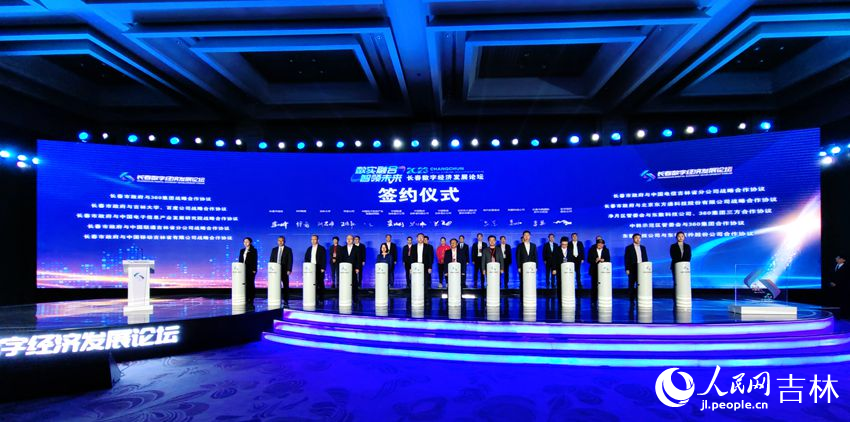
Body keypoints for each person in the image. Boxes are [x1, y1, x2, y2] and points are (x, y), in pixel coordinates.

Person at [624, 233, 649, 304]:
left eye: (639, 238)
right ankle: (632, 300)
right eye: (636, 238)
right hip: (632, 268)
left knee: (641, 284)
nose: (638, 239)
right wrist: (627, 269)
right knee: (631, 285)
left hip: (641, 268)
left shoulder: (643, 247)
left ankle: (639, 298)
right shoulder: (629, 247)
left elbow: (645, 258)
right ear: (633, 239)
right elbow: (626, 259)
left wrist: (646, 266)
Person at [269, 236, 293, 304]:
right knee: (275, 285)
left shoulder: (288, 249)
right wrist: (271, 268)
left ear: (284, 241)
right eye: (279, 240)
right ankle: (275, 297)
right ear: (277, 241)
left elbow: (290, 260)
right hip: (275, 270)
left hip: (284, 270)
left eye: (282, 240)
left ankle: (286, 299)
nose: (280, 242)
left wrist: (289, 269)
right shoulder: (274, 249)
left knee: (285, 285)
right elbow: (271, 260)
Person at [587, 238, 610, 305]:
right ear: (596, 244)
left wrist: (603, 260)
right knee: (594, 286)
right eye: (599, 244)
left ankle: (603, 298)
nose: (600, 245)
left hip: (603, 271)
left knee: (603, 285)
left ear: (603, 244)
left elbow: (608, 259)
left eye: (601, 244)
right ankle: (593, 300)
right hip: (594, 270)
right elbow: (588, 260)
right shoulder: (592, 250)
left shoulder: (606, 250)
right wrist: (595, 260)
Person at [516, 230, 537, 301]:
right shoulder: (519, 246)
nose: (526, 237)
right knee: (522, 281)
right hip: (522, 267)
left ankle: (531, 295)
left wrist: (536, 266)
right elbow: (518, 257)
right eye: (525, 235)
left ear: (530, 236)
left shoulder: (533, 245)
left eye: (528, 235)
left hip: (531, 267)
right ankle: (522, 296)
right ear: (523, 236)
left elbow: (535, 256)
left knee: (531, 281)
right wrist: (519, 267)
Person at [239, 237, 258, 307]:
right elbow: (240, 260)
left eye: (247, 241)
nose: (245, 243)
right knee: (245, 284)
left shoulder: (253, 250)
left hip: (251, 270)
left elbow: (255, 260)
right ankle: (246, 298)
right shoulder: (242, 250)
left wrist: (254, 269)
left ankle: (251, 298)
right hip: (243, 270)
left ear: (250, 242)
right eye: (244, 242)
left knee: (250, 284)